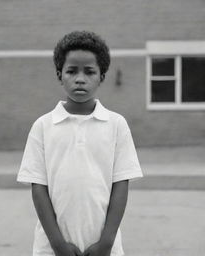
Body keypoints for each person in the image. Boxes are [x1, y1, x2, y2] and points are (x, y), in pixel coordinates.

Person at [17, 31, 143, 256]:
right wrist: (58, 245)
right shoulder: (43, 126)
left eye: (89, 71)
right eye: (72, 71)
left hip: (105, 247)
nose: (80, 78)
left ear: (102, 76)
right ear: (59, 75)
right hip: (51, 248)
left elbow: (121, 185)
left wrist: (106, 243)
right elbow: (38, 188)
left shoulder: (116, 124)